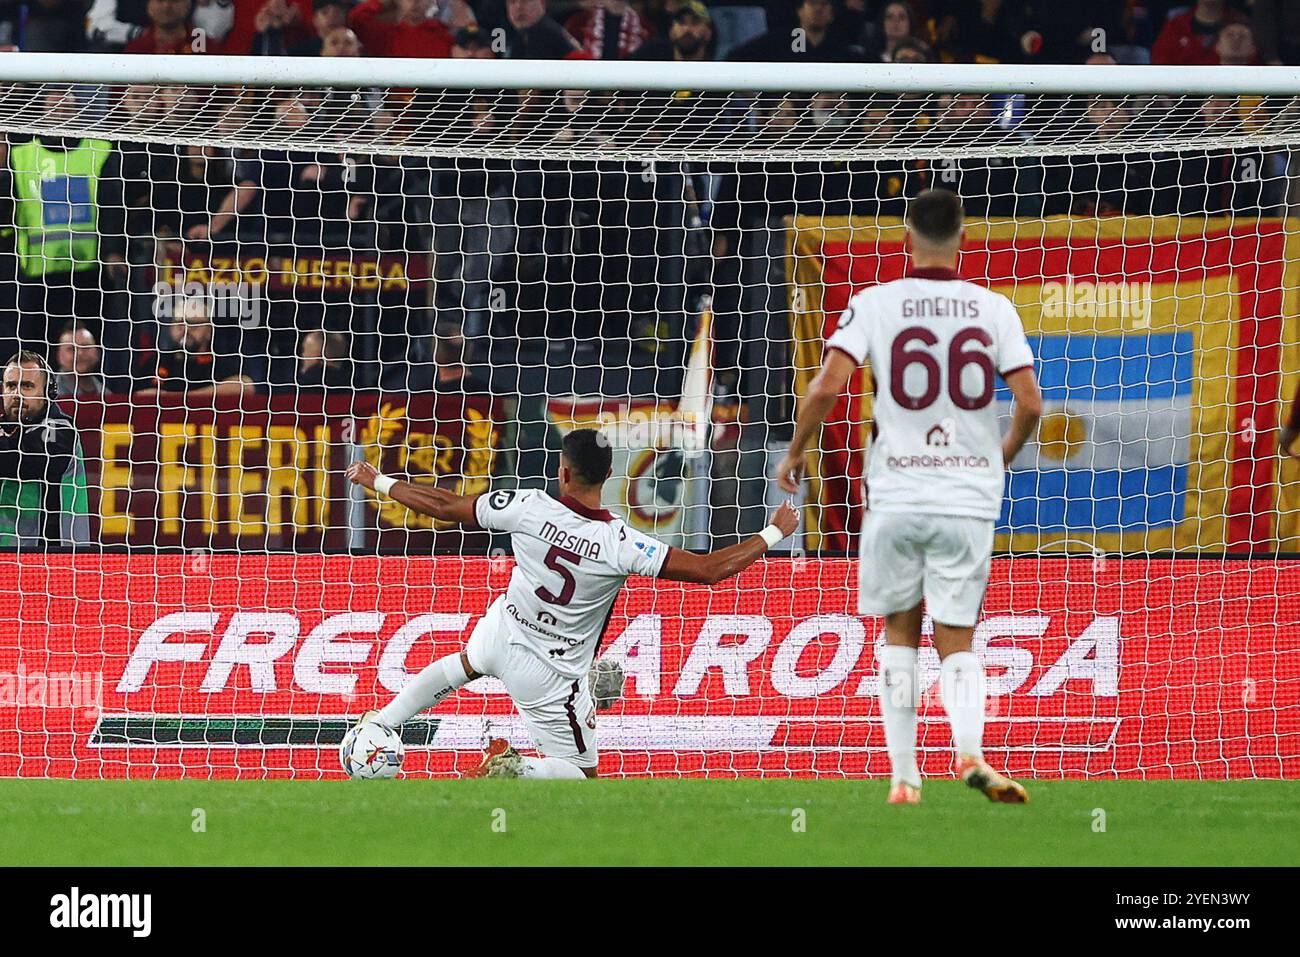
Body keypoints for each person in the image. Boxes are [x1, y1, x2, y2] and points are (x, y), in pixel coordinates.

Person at [774, 189, 1042, 806]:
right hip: (965, 497)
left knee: (901, 631)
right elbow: (1030, 403)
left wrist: (795, 452)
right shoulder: (993, 308)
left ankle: (903, 778)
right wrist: (995, 457)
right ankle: (970, 751)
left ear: (905, 239)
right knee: (959, 635)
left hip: (896, 492)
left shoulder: (874, 303)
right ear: (964, 239)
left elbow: (824, 387)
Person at [345, 427, 799, 779]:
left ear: (564, 473)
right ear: (609, 475)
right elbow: (708, 571)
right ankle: (515, 770)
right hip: (549, 670)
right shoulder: (620, 543)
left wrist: (378, 480)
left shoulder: (527, 506)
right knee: (581, 775)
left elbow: (443, 506)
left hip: (504, 628)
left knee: (464, 663)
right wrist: (774, 531)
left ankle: (381, 721)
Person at [0, 351, 90, 548]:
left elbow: (21, 460)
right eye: (11, 385)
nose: (17, 394)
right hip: (7, 556)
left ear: (48, 392)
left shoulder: (60, 429)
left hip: (56, 559)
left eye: (27, 386)